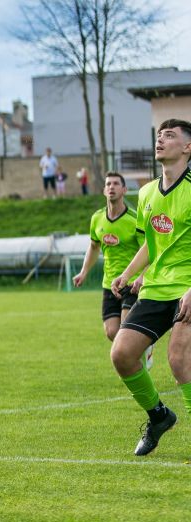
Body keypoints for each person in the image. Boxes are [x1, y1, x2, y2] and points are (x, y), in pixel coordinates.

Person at [109, 118, 191, 457]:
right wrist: (129, 274)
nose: (161, 141)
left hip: (187, 286)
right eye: (158, 136)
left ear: (188, 147)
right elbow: (152, 244)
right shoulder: (145, 192)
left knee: (179, 358)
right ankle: (159, 417)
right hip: (156, 286)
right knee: (122, 354)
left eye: (169, 136)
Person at [73, 172, 152, 368]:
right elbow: (93, 247)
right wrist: (84, 272)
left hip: (131, 283)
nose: (111, 187)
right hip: (109, 284)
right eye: (108, 184)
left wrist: (142, 277)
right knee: (111, 332)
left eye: (116, 184)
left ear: (124, 190)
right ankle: (143, 346)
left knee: (126, 328)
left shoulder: (135, 220)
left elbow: (150, 250)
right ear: (103, 190)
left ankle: (137, 361)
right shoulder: (97, 218)